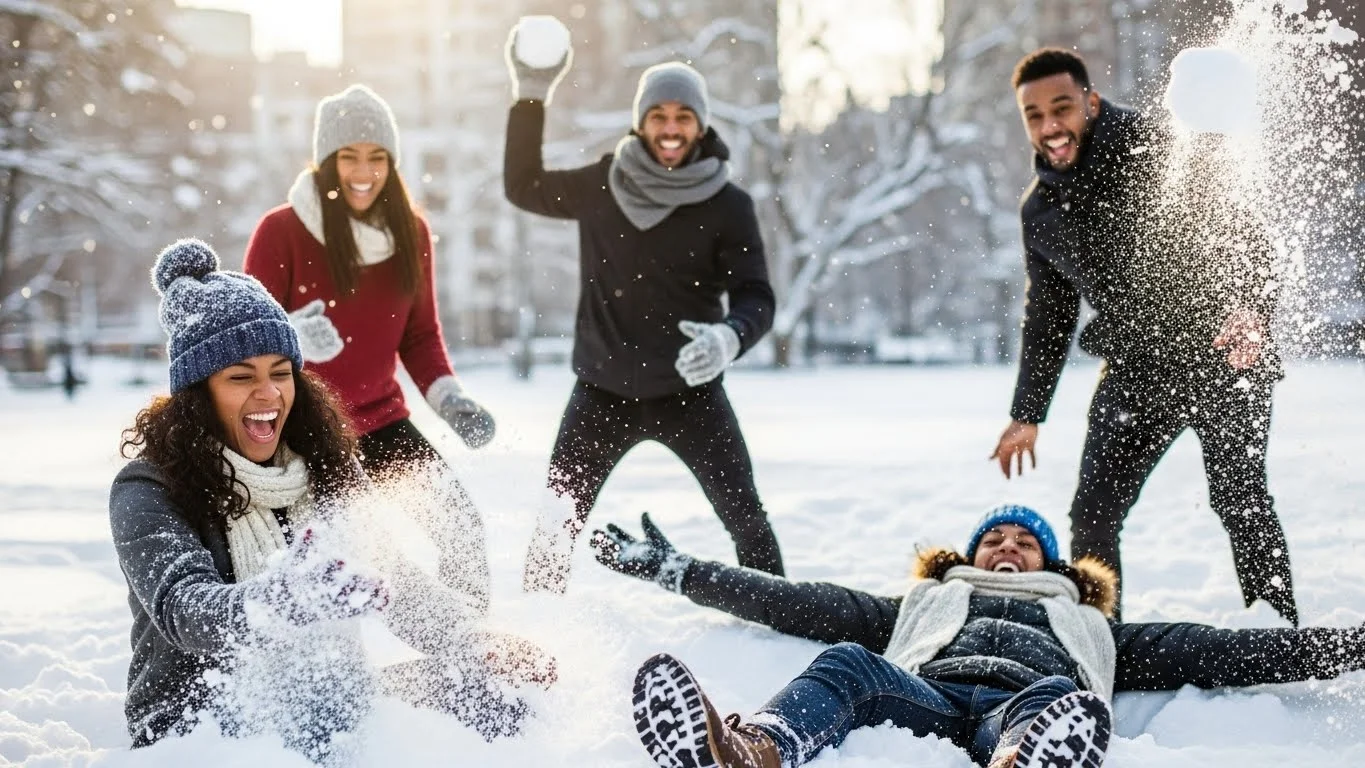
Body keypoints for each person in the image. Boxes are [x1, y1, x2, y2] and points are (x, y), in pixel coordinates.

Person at [111, 240, 553, 757]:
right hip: (198, 724)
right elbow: (186, 610)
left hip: (322, 697)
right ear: (196, 393)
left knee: (492, 687)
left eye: (280, 372)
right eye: (240, 377)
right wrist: (281, 600)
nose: (270, 394)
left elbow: (393, 581)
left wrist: (473, 640)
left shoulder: (320, 467)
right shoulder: (148, 487)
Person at [591, 506, 1365, 768]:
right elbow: (795, 601)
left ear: (1049, 561)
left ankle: (1027, 762)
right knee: (847, 659)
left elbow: (1221, 650)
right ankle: (754, 750)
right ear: (968, 554)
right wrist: (675, 570)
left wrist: (1354, 643)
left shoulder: (1091, 622)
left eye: (1022, 542)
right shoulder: (923, 604)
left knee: (1060, 693)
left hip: (1021, 710)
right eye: (992, 539)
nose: (1005, 547)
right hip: (923, 695)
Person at [986, 48, 1296, 624]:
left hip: (1222, 354)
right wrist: (1027, 412)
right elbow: (1049, 315)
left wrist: (1249, 306)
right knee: (1094, 510)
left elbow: (1244, 222)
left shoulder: (1161, 149)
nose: (1050, 126)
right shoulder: (1041, 211)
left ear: (1091, 102)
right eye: (1034, 115)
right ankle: (1099, 634)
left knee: (1241, 501)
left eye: (1062, 107)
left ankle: (1276, 636)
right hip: (1134, 370)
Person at [502, 22, 783, 592]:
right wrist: (531, 95)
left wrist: (729, 337)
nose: (671, 129)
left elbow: (757, 295)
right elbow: (523, 184)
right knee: (553, 533)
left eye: (683, 116)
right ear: (640, 122)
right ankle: (535, 643)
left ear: (700, 124)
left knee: (748, 522)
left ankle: (782, 625)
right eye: (659, 116)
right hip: (600, 391)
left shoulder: (728, 205)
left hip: (691, 393)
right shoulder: (603, 185)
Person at [242, 84, 494, 480]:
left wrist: (450, 399)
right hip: (303, 433)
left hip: (382, 421)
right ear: (327, 162)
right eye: (349, 157)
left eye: (377, 157)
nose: (364, 172)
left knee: (462, 530)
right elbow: (242, 339)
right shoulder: (281, 231)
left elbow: (419, 336)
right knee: (350, 541)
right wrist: (291, 341)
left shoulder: (412, 232)